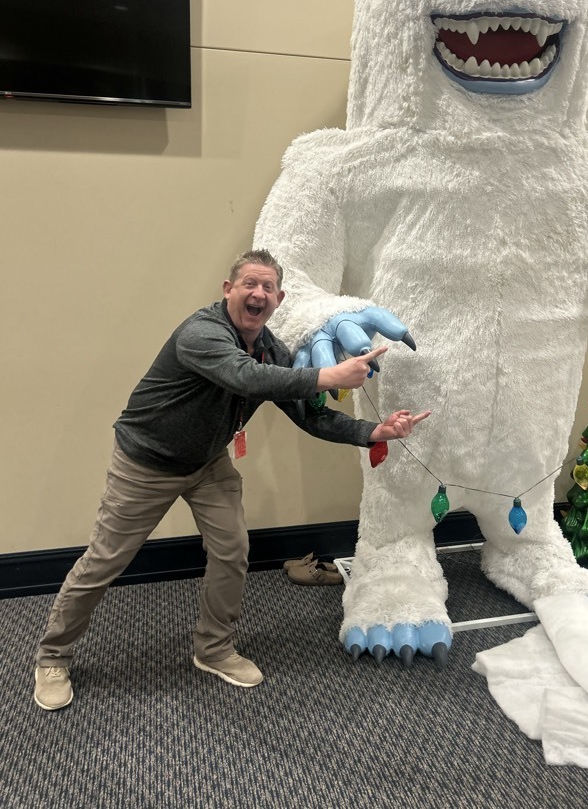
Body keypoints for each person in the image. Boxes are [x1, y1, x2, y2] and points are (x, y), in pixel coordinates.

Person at [34, 249, 429, 710]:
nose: (257, 294)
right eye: (249, 284)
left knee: (233, 550)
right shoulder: (201, 333)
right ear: (229, 290)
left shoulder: (270, 348)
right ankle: (52, 656)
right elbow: (246, 378)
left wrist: (374, 432)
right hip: (146, 463)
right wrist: (328, 375)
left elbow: (309, 415)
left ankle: (214, 648)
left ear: (278, 299)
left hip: (207, 464)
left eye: (267, 288)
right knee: (104, 561)